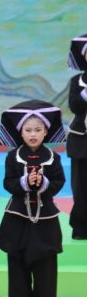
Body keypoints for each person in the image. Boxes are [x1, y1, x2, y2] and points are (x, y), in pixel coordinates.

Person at [0, 100, 67, 297]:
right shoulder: (12, 157)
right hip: (17, 220)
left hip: (46, 221)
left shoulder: (53, 157)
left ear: (46, 132)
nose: (33, 134)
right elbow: (8, 183)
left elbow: (59, 182)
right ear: (21, 132)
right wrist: (25, 182)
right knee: (17, 270)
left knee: (46, 271)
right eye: (28, 130)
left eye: (38, 130)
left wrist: (44, 183)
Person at [66, 34, 87, 239]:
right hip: (82, 141)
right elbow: (75, 107)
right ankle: (81, 227)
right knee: (81, 187)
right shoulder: (77, 81)